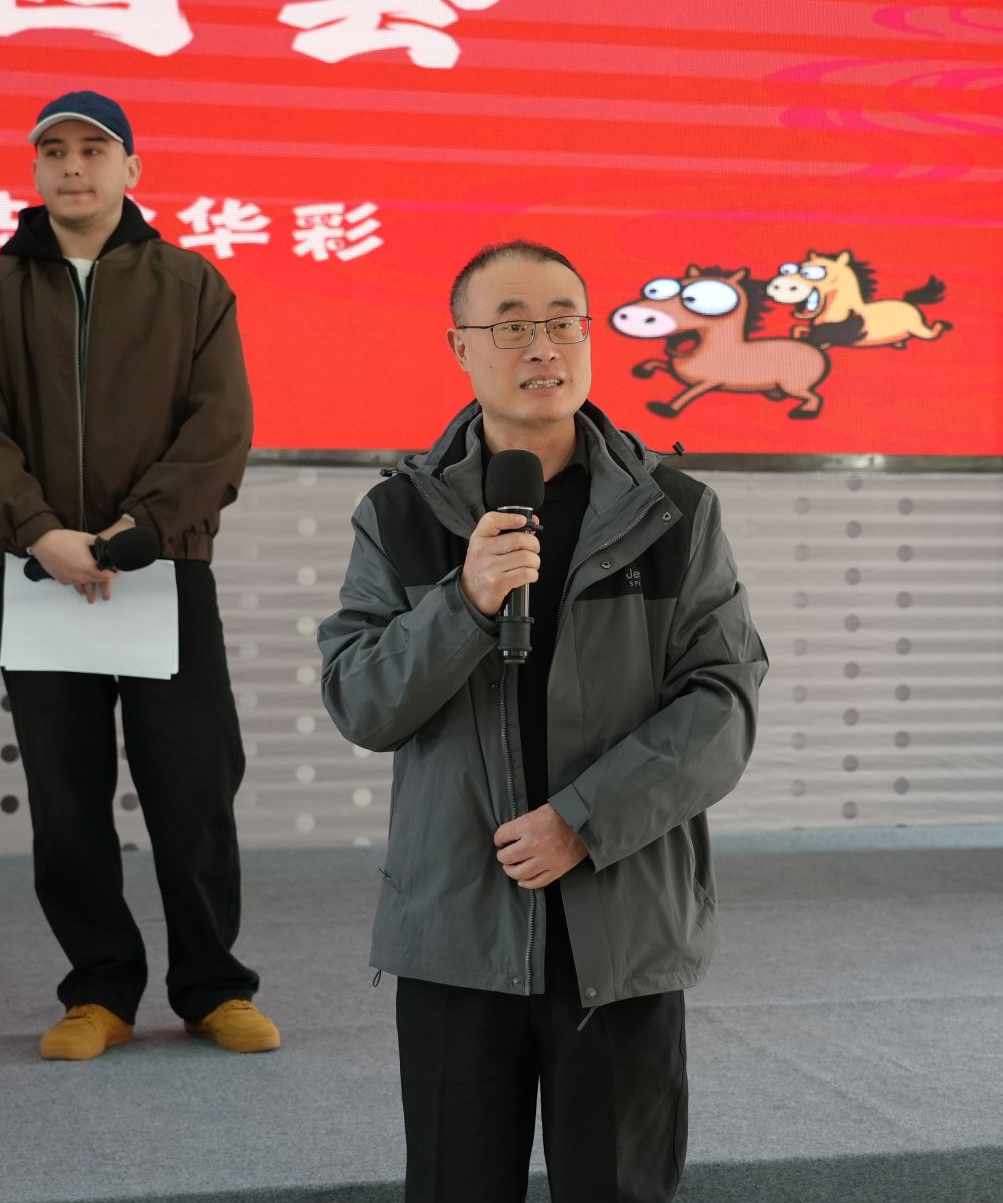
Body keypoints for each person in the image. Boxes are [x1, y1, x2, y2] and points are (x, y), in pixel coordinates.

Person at [318, 240, 767, 1201]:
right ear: (461, 346)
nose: (543, 347)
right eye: (513, 325)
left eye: (565, 322)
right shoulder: (399, 515)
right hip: (458, 927)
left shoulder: (674, 512)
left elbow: (723, 705)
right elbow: (361, 699)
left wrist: (583, 820)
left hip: (620, 925)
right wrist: (465, 603)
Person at [0, 90, 277, 1061]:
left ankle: (213, 986)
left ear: (131, 168)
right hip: (39, 577)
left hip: (163, 570)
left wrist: (141, 530)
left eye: (93, 149)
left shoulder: (192, 285)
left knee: (193, 786)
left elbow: (220, 426)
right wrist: (41, 534)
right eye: (53, 150)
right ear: (34, 170)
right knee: (66, 798)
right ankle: (98, 990)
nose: (72, 166)